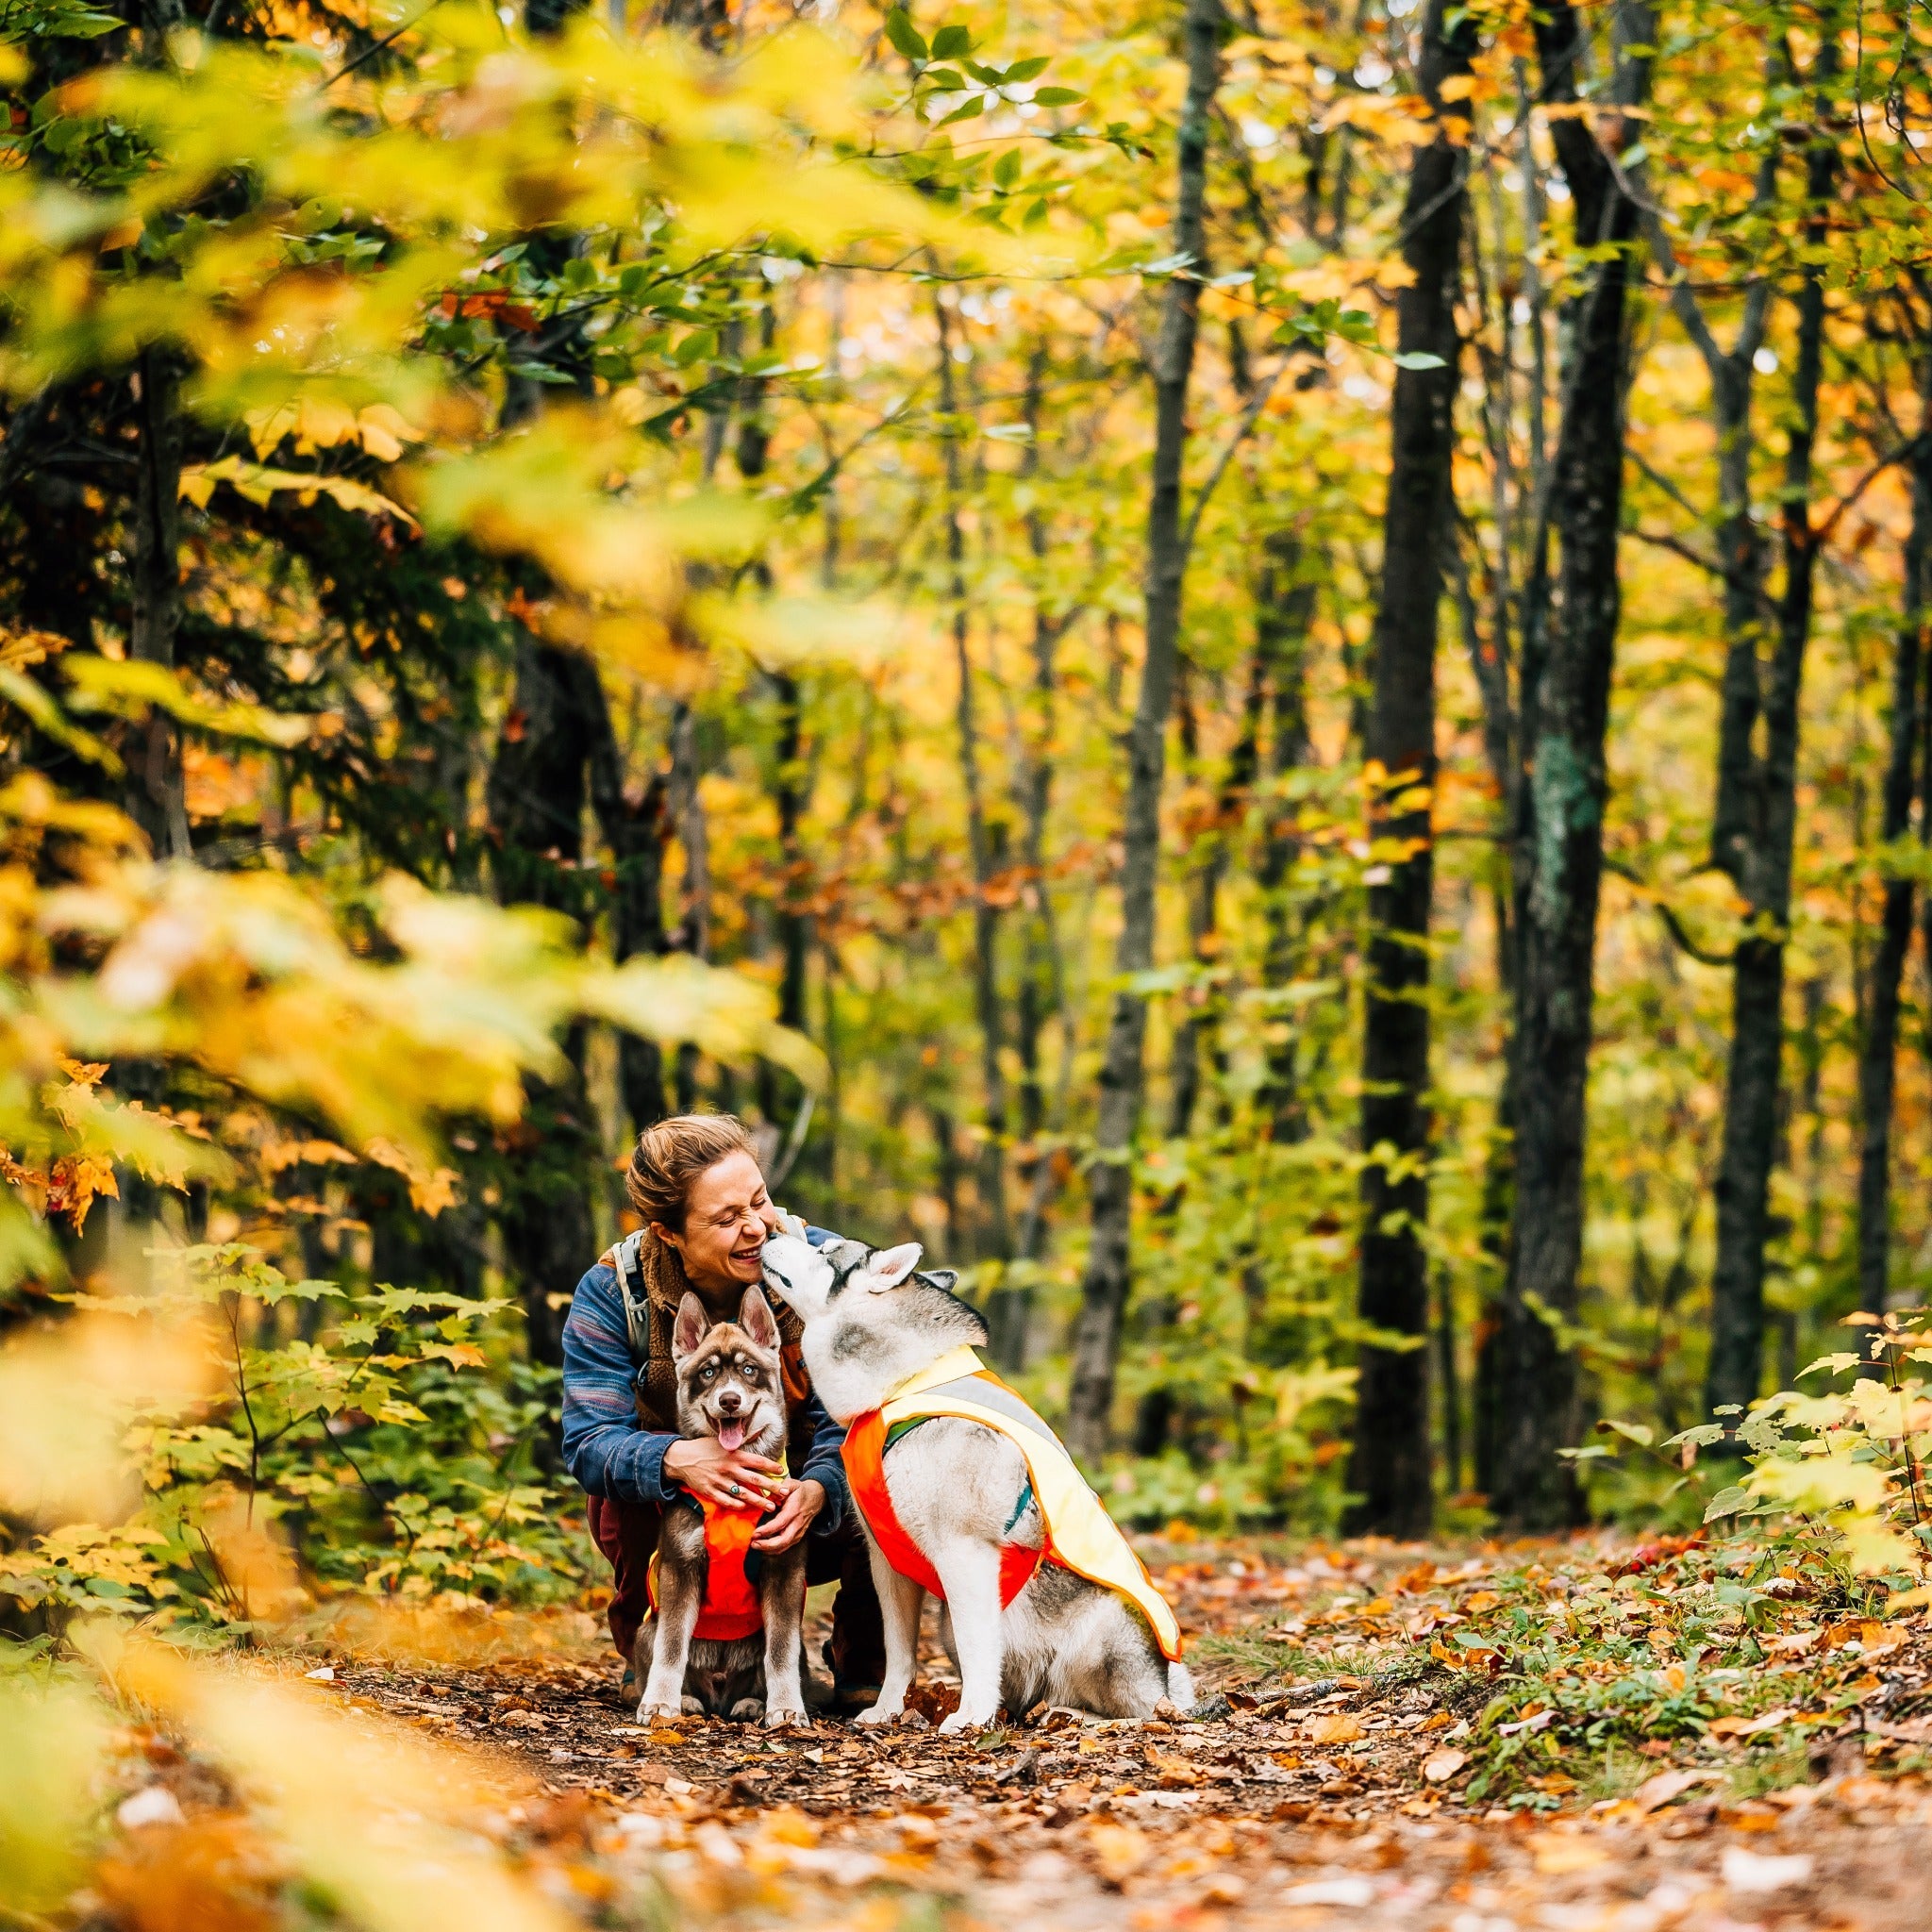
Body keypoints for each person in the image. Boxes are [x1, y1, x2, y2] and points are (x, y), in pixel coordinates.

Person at [560, 1113, 884, 1710]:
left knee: (881, 1459)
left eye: (759, 1201)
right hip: (679, 1514)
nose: (757, 1227)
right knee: (622, 1483)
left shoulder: (827, 1270)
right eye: (726, 1218)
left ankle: (866, 1660)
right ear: (668, 1232)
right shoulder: (614, 1292)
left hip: (800, 1493)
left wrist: (820, 1486)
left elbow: (869, 1400)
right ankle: (652, 1650)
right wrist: (678, 1458)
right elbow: (588, 1440)